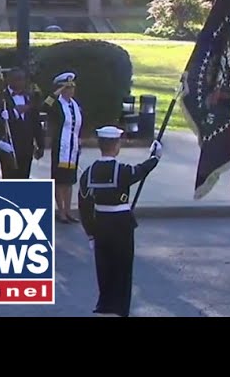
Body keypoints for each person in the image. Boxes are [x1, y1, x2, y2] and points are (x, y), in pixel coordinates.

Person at [78, 126, 163, 317]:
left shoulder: (88, 173)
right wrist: (155, 157)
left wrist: (90, 233)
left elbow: (84, 207)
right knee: (123, 267)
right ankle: (120, 307)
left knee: (104, 266)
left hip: (100, 223)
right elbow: (141, 170)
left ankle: (105, 303)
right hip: (121, 225)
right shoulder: (122, 170)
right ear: (116, 145)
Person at [43, 72, 83, 224]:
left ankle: (68, 210)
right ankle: (61, 212)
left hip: (73, 148)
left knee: (69, 180)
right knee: (60, 180)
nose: (71, 91)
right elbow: (45, 105)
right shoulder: (57, 104)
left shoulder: (75, 105)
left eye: (72, 88)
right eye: (67, 88)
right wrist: (57, 92)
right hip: (60, 147)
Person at [0, 67, 45, 179]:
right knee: (9, 178)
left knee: (24, 177)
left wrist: (40, 145)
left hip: (27, 147)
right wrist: (15, 113)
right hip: (9, 147)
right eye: (16, 79)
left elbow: (36, 123)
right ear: (9, 80)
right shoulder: (0, 98)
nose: (20, 82)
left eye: (22, 79)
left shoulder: (31, 97)